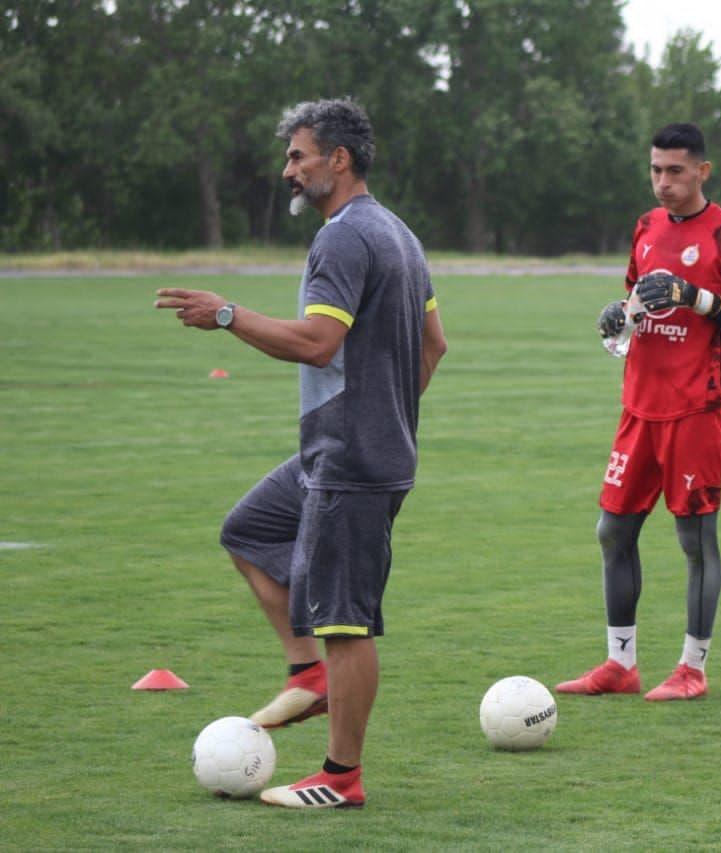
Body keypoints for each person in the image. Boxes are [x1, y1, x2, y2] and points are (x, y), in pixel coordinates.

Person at [155, 98, 447, 809]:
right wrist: (391, 415)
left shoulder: (345, 238)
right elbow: (434, 344)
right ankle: (307, 675)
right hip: (344, 449)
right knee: (249, 530)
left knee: (346, 620)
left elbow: (318, 341)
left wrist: (227, 314)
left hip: (352, 457)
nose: (288, 169)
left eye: (297, 156)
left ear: (336, 160)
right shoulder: (398, 233)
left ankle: (341, 777)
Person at [555, 122, 721, 702]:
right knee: (612, 531)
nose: (662, 182)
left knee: (695, 540)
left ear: (702, 171)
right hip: (639, 408)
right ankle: (619, 664)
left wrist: (695, 297)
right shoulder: (647, 227)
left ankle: (691, 669)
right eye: (655, 170)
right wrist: (617, 318)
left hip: (696, 409)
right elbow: (635, 299)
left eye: (675, 171)